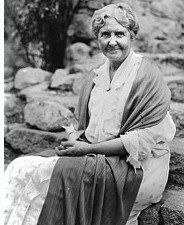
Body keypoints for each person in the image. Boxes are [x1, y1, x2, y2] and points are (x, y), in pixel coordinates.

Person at [4, 3, 176, 225]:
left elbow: (140, 142)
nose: (112, 41)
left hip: (136, 169)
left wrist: (87, 149)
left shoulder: (147, 76)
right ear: (97, 38)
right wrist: (75, 139)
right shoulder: (96, 76)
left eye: (120, 34)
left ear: (132, 35)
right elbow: (81, 126)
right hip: (96, 157)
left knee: (46, 176)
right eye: (105, 34)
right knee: (19, 167)